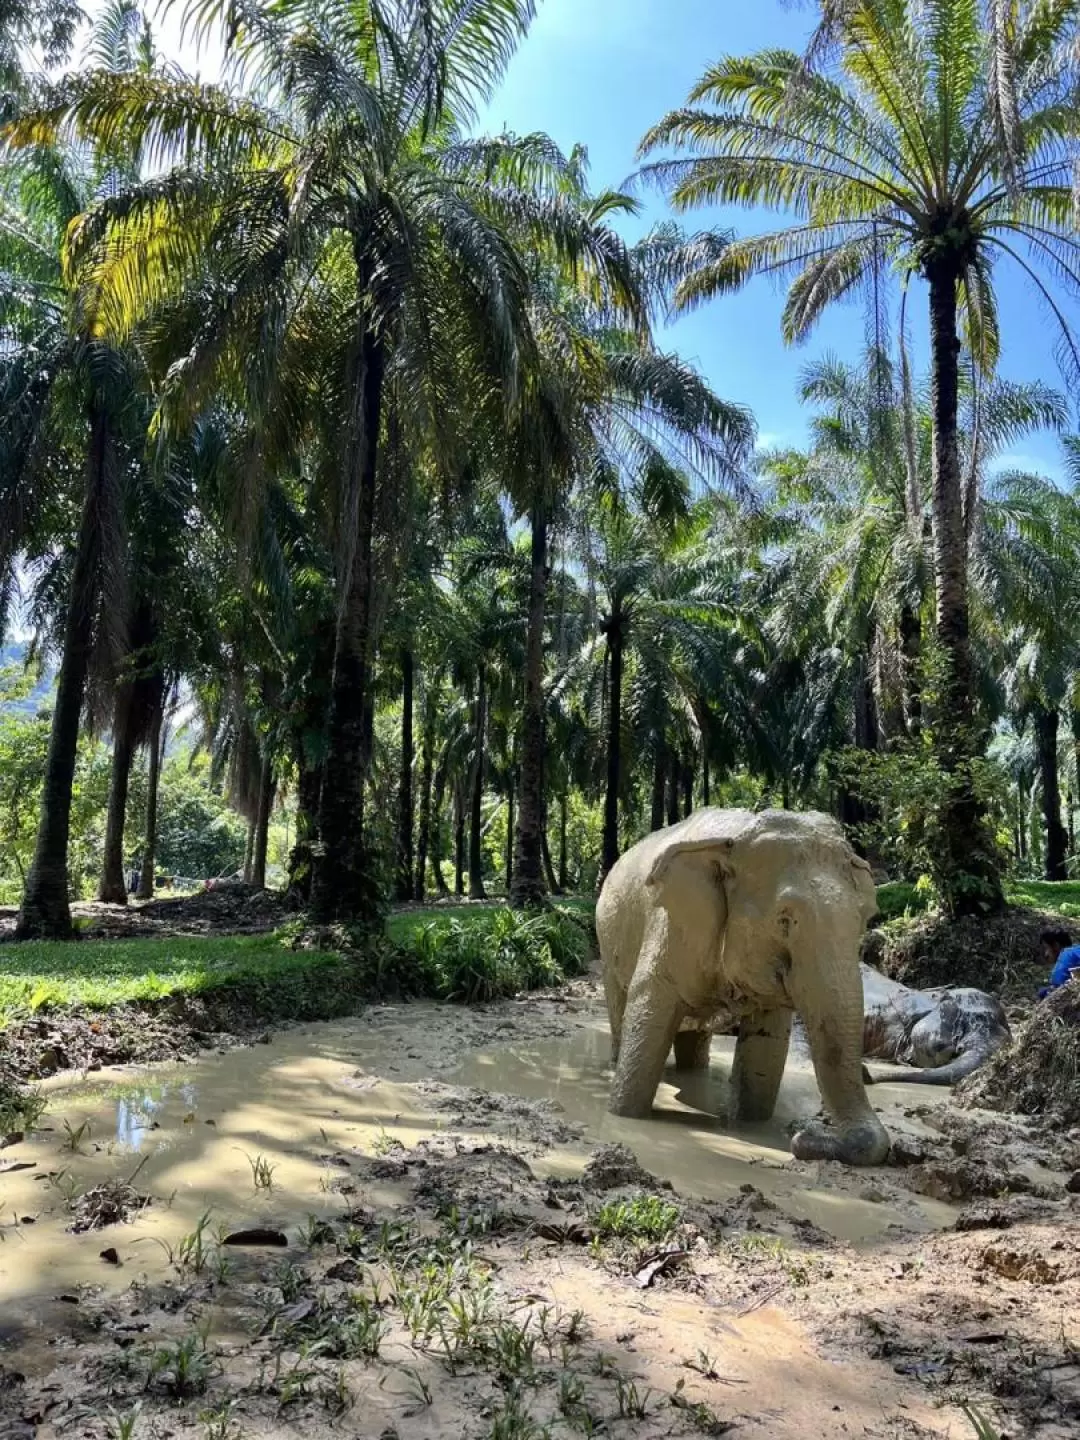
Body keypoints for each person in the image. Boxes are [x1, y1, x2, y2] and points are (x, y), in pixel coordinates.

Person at [1038, 928, 1080, 998]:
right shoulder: (1076, 950)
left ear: (1056, 945)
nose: (1046, 954)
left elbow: (1056, 991)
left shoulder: (1066, 956)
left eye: (1046, 948)